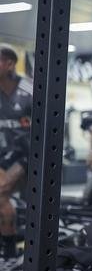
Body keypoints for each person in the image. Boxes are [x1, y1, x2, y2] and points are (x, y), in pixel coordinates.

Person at [0, 45, 32, 260]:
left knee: (2, 190)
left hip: (29, 156)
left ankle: (18, 251)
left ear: (9, 64)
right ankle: (9, 251)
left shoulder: (29, 91)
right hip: (5, 156)